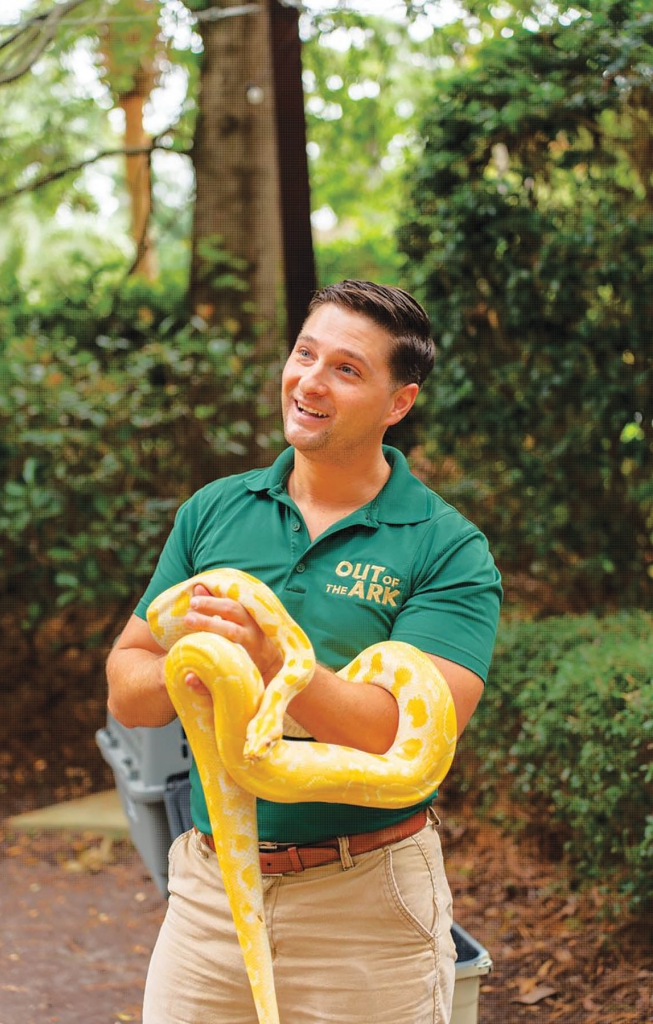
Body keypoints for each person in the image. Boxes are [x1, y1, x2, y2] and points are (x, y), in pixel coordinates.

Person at [106, 279, 502, 1024]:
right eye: (304, 354)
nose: (309, 381)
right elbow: (127, 689)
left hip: (367, 901)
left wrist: (275, 662)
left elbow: (407, 736)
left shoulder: (447, 547)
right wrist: (187, 661)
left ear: (398, 403)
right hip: (208, 892)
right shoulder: (213, 511)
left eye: (346, 369)